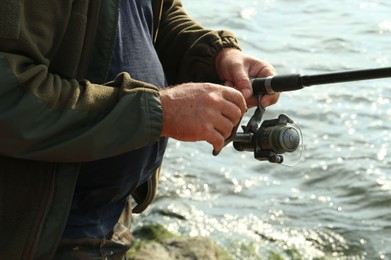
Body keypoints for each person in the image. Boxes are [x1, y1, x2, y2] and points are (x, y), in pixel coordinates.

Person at [0, 0, 279, 259]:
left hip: (107, 220)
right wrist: (159, 110)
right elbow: (8, 97)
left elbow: (156, 16)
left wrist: (216, 56)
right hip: (36, 234)